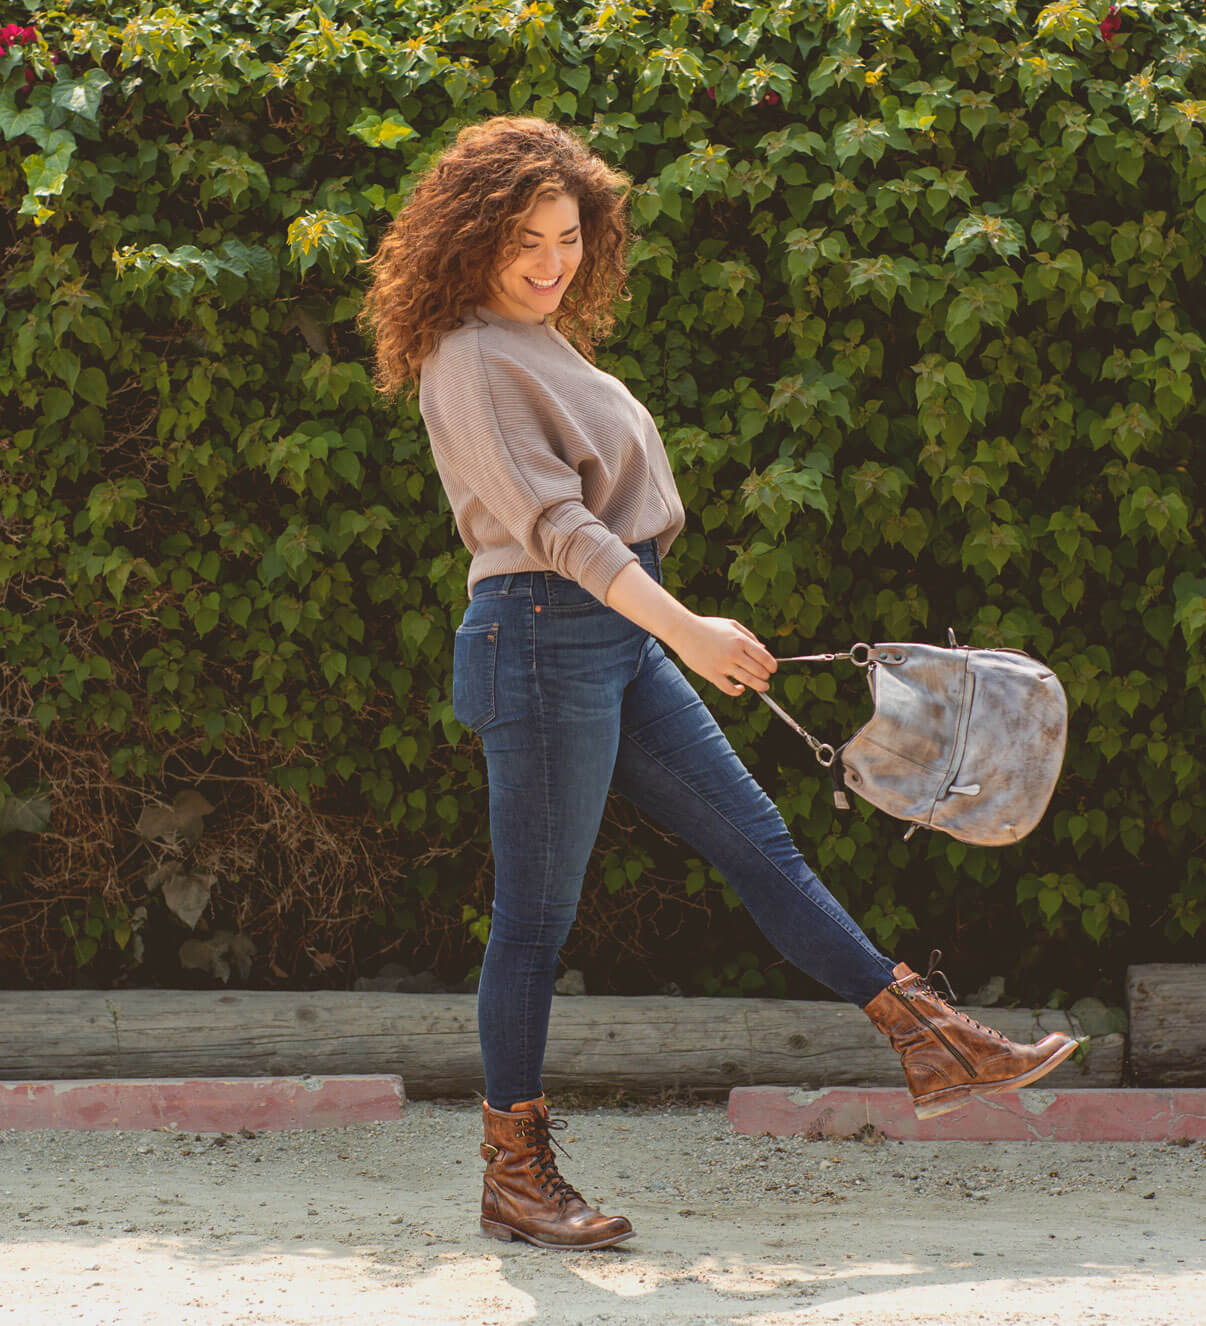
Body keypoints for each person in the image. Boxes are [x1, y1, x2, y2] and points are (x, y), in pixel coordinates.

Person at [358, 115, 1078, 1252]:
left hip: (612, 629)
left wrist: (667, 628)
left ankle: (930, 1040)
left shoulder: (539, 341)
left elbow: (608, 535)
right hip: (544, 635)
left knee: (762, 847)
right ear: (469, 240)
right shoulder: (468, 357)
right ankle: (513, 1172)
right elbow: (556, 530)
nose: (554, 261)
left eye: (568, 236)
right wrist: (688, 630)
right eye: (526, 241)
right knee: (535, 923)